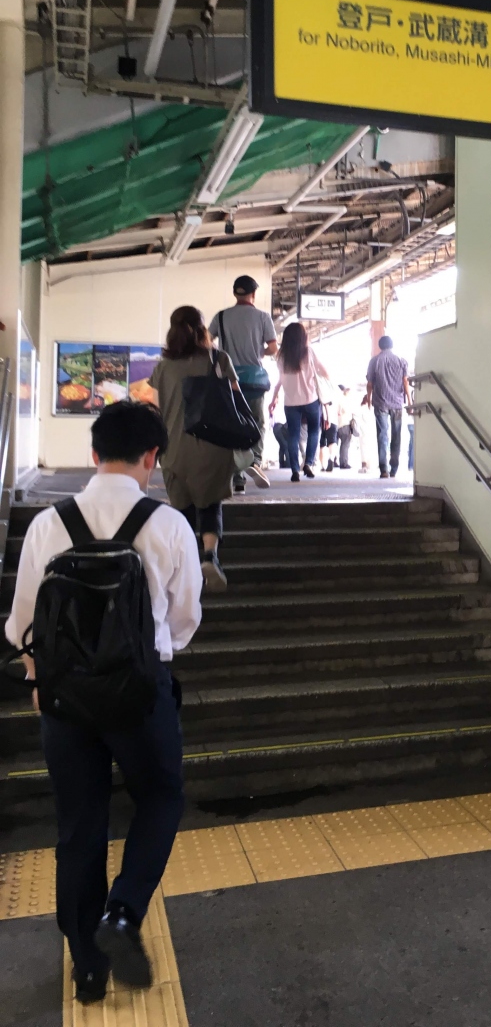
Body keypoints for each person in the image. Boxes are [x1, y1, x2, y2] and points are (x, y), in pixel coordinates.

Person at [5, 401, 202, 1005]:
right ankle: (122, 913)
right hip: (141, 696)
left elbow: (21, 625)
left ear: (93, 454)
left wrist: (40, 678)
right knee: (161, 798)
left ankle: (87, 969)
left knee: (79, 823)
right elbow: (184, 622)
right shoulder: (169, 525)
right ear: (152, 458)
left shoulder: (48, 525)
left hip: (65, 701)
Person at [149, 306, 240, 589]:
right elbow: (236, 399)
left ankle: (184, 565)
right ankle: (210, 556)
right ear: (202, 329)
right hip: (213, 447)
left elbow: (154, 409)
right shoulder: (218, 359)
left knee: (182, 510)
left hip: (174, 450)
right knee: (210, 504)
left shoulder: (162, 368)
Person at [209, 276, 277, 492]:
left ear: (234, 293)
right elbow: (273, 348)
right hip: (254, 381)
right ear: (254, 294)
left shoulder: (221, 316)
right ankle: (254, 461)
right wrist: (258, 352)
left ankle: (237, 477)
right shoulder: (263, 317)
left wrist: (221, 355)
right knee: (257, 422)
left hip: (228, 380)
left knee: (232, 425)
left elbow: (206, 341)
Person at [268, 322, 327, 483]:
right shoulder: (308, 352)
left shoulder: (281, 357)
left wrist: (274, 398)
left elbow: (280, 380)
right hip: (311, 399)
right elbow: (323, 371)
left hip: (291, 402)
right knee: (314, 431)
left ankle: (295, 470)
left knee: (293, 435)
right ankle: (308, 463)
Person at [363, 335, 411, 479]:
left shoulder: (374, 361)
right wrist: (409, 401)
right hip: (397, 403)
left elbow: (370, 383)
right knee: (396, 436)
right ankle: (394, 469)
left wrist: (369, 398)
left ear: (380, 346)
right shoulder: (401, 361)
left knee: (382, 435)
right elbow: (405, 382)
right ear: (392, 345)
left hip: (381, 402)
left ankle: (384, 469)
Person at [335, 384, 357, 469]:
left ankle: (333, 461)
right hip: (344, 424)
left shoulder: (335, 400)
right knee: (345, 444)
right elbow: (349, 411)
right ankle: (343, 463)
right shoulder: (343, 400)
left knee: (335, 444)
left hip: (336, 425)